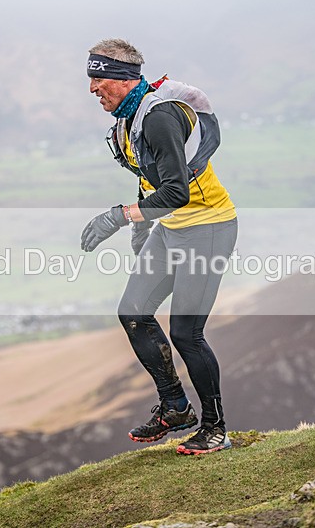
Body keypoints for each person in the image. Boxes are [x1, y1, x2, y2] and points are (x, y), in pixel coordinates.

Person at [81, 38, 238, 455]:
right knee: (132, 313)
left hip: (207, 228)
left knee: (187, 333)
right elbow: (149, 174)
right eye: (90, 78)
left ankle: (215, 427)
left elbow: (177, 192)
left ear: (122, 77)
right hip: (171, 230)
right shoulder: (126, 120)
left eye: (99, 78)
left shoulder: (158, 117)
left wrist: (118, 217)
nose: (93, 88)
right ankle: (175, 408)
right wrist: (141, 228)